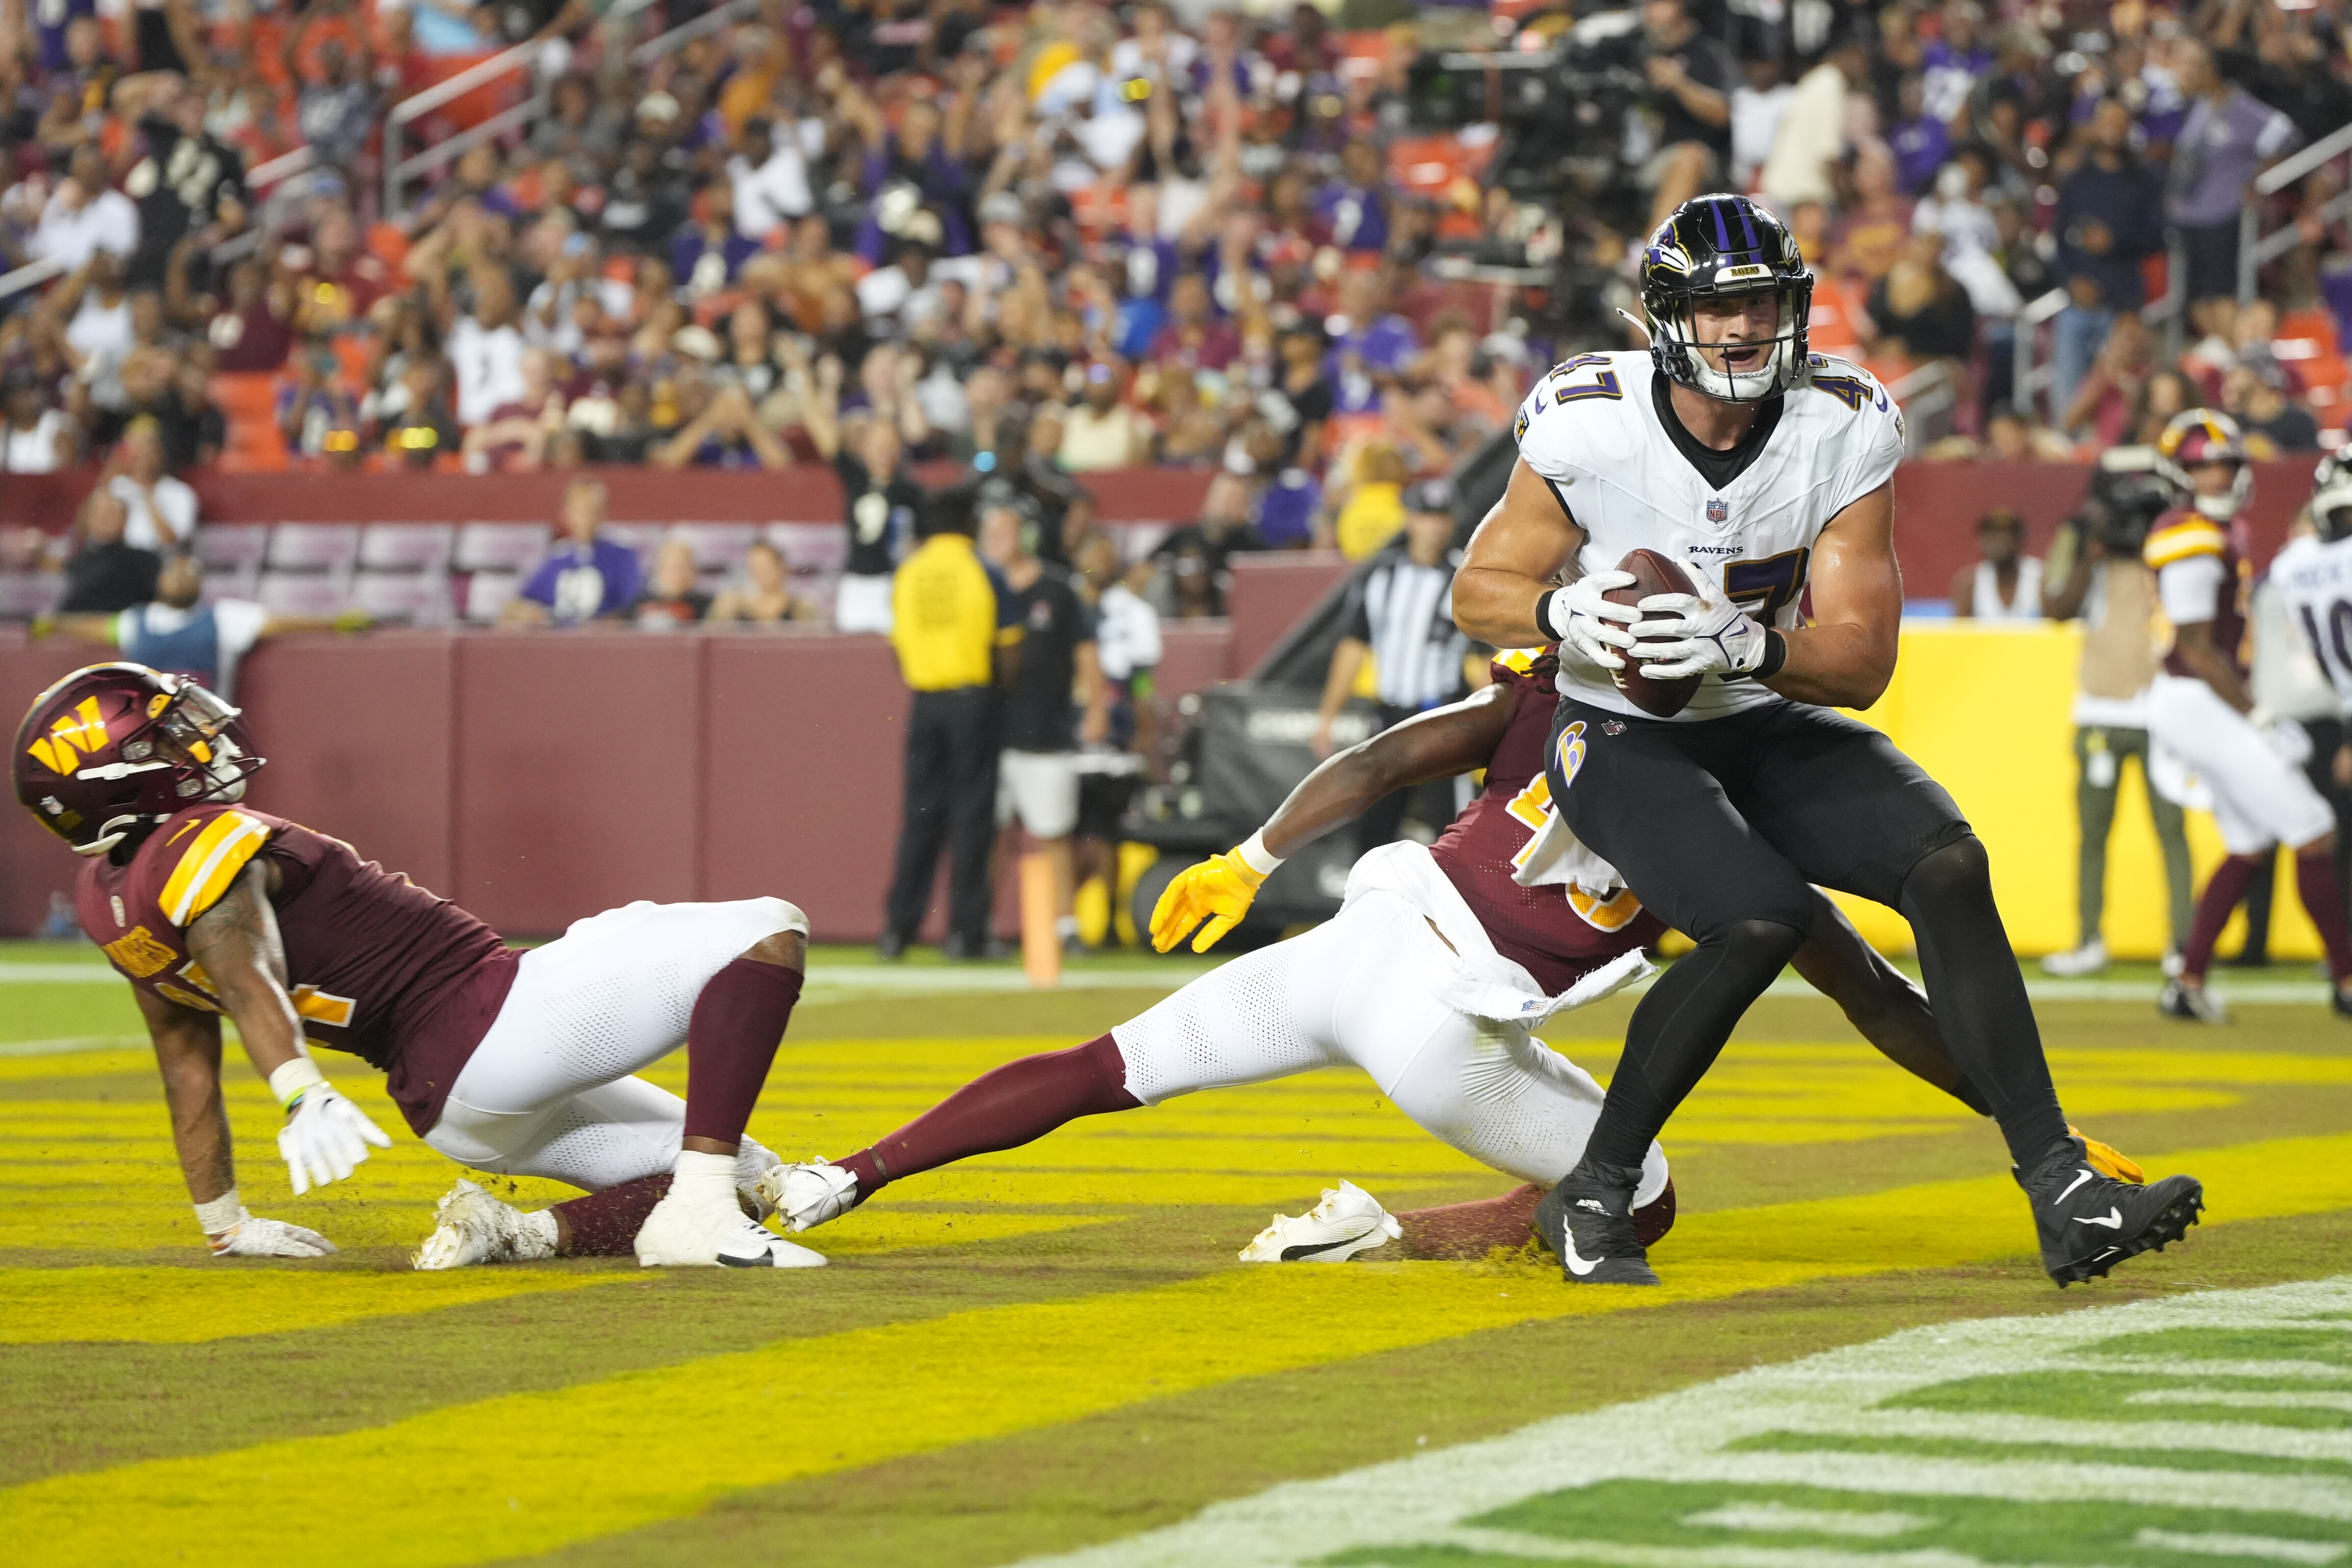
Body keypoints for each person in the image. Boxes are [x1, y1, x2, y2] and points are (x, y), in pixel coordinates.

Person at [760, 646, 2147, 1260]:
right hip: (1446, 1022)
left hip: (1364, 929)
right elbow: (1881, 1002)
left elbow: (1378, 756)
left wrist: (1251, 859)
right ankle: (1387, 1238)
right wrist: (2038, 1127)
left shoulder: (1548, 703)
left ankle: (842, 1175)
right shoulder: (1733, 818)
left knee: (1107, 1063)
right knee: (1642, 1195)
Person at [1448, 192, 2202, 1288]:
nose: (1745, 330)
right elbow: (1479, 590)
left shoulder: (1841, 422)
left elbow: (1861, 662)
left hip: (1756, 710)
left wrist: (1747, 647)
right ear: (1666, 318)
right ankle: (1595, 1191)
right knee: (1756, 920)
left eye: (1761, 304)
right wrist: (1563, 614)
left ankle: (2063, 1190)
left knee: (1947, 861)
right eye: (1718, 310)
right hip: (1616, 728)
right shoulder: (1587, 417)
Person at [12, 664, 819, 1269]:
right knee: (765, 931)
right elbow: (241, 960)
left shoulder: (113, 901)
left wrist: (224, 1219)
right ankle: (703, 1219)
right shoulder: (200, 850)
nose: (195, 738)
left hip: (450, 1108)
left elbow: (185, 1066)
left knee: (745, 1169)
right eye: (160, 738)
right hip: (494, 1020)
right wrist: (300, 1091)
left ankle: (521, 1234)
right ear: (115, 779)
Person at [2142, 411, 2352, 1023]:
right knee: (2313, 827)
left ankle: (2187, 981)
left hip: (2198, 698)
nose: (2219, 474)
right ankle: (2346, 979)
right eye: (2205, 465)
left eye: (2227, 463)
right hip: (2196, 698)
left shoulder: (2213, 529)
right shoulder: (2191, 535)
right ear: (2180, 473)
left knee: (2250, 842)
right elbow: (2195, 647)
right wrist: (2258, 715)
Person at [2040, 456, 2194, 977]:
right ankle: (2089, 939)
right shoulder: (2092, 550)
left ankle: (2183, 946)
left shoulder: (2172, 550)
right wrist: (2092, 546)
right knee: (2093, 834)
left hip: (2160, 709)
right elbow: (2056, 606)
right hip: (2100, 709)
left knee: (2172, 831)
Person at [882, 488, 1016, 960]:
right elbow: (1007, 647)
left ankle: (897, 931)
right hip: (972, 699)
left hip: (925, 700)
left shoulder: (909, 574)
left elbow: (897, 644)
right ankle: (965, 934)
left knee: (919, 816)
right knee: (971, 819)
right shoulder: (984, 571)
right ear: (968, 524)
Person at [979, 495, 1109, 953]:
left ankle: (1065, 926)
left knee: (1055, 833)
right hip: (989, 734)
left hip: (1045, 730)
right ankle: (985, 926)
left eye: (1006, 532)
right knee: (991, 837)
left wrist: (1096, 708)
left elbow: (1086, 651)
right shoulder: (980, 588)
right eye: (991, 533)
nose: (998, 541)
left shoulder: (1056, 588)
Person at [1312, 482, 1471, 849]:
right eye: (1427, 516)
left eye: (1442, 517)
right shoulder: (1379, 574)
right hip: (1388, 716)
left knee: (1451, 827)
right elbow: (1353, 645)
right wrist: (1327, 717)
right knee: (1373, 823)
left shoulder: (1464, 576)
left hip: (1442, 719)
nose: (1434, 526)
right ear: (1410, 520)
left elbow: (1480, 659)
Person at [40, 552, 361, 699]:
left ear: (200, 585)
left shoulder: (223, 618)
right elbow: (94, 627)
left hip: (208, 735)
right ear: (160, 582)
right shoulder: (134, 621)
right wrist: (53, 626)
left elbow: (281, 623)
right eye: (174, 572)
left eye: (188, 574)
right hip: (148, 738)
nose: (180, 578)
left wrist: (335, 623)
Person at [2050, 99, 2166, 429]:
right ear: (2094, 127)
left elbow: (2158, 237)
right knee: (2069, 392)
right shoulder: (2076, 180)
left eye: (2120, 121)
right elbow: (2058, 240)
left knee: (2125, 393)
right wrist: (2072, 282)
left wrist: (2114, 242)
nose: (2113, 129)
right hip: (2078, 304)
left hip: (2124, 306)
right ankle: (2067, 457)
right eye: (2106, 121)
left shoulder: (2144, 180)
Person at [2166, 43, 2299, 305]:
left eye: (2191, 66)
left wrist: (2257, 178)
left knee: (2223, 293)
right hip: (2191, 214)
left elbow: (2286, 136)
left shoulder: (2242, 108)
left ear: (2210, 70)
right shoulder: (2198, 107)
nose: (2184, 73)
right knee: (2195, 300)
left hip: (2224, 214)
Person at [1636, 0, 1734, 233]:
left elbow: (1722, 113)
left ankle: (1652, 250)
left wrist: (1678, 83)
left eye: (1658, 5)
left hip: (1701, 159)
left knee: (1690, 157)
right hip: (1639, 157)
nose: (1651, 13)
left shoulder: (1707, 53)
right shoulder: (1638, 51)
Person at [504, 477, 643, 626]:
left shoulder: (622, 556)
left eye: (593, 510)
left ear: (605, 513)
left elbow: (632, 608)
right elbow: (525, 601)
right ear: (566, 514)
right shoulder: (556, 558)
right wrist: (524, 613)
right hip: (558, 643)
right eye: (581, 510)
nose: (587, 518)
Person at [56, 488, 161, 615]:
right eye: (99, 514)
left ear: (125, 519)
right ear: (88, 519)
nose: (105, 519)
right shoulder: (74, 564)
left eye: (112, 513)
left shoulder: (146, 561)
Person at [106, 415, 198, 551]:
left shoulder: (181, 493)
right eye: (136, 449)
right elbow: (90, 532)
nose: (141, 456)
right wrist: (107, 476)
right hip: (120, 560)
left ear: (160, 453)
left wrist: (148, 493)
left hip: (162, 561)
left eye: (147, 449)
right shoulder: (115, 487)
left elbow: (172, 543)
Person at [1948, 507, 2042, 619]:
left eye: (2003, 535)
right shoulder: (1969, 584)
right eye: (1990, 536)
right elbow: (1960, 633)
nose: (1996, 543)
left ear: (2020, 540)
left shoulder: (2042, 578)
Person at [707, 538, 815, 624]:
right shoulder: (734, 605)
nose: (761, 572)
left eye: (767, 566)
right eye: (755, 566)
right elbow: (709, 638)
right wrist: (722, 615)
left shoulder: (801, 606)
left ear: (781, 567)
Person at [630, 537, 712, 629]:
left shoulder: (709, 606)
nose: (677, 575)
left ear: (694, 572)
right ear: (659, 570)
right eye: (672, 568)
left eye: (683, 568)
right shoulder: (638, 604)